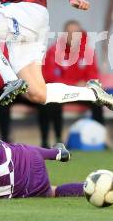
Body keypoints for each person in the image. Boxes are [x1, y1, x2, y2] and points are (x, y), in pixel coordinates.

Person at [41, 20, 103, 148]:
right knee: (51, 102)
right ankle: (57, 140)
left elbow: (94, 75)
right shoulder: (54, 51)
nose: (73, 36)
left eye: (76, 33)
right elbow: (51, 78)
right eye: (69, 33)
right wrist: (74, 84)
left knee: (98, 100)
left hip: (81, 92)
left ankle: (99, 138)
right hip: (62, 92)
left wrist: (86, 84)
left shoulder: (88, 52)